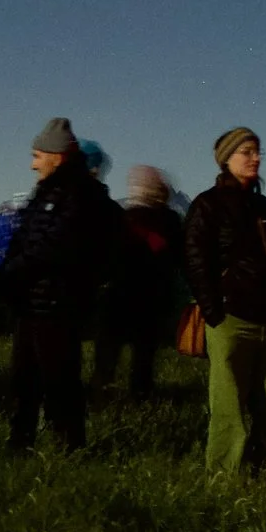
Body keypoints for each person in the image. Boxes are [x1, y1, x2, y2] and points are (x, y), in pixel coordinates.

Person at [185, 127, 266, 474]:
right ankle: (223, 477)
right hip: (231, 319)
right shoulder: (207, 204)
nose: (255, 158)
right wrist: (214, 311)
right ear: (227, 159)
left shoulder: (262, 206)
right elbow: (195, 261)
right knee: (228, 407)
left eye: (258, 151)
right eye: (246, 152)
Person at [1, 118, 113, 451]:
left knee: (59, 380)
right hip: (32, 301)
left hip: (58, 303)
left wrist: (13, 269)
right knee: (25, 378)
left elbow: (53, 245)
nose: (33, 164)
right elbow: (28, 236)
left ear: (57, 156)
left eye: (37, 156)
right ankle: (20, 442)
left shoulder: (78, 194)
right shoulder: (49, 191)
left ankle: (69, 447)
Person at [100, 165, 184, 397]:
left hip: (124, 292)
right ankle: (139, 391)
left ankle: (106, 386)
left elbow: (109, 255)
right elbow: (176, 256)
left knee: (112, 344)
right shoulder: (169, 220)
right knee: (143, 349)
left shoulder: (125, 218)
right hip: (152, 295)